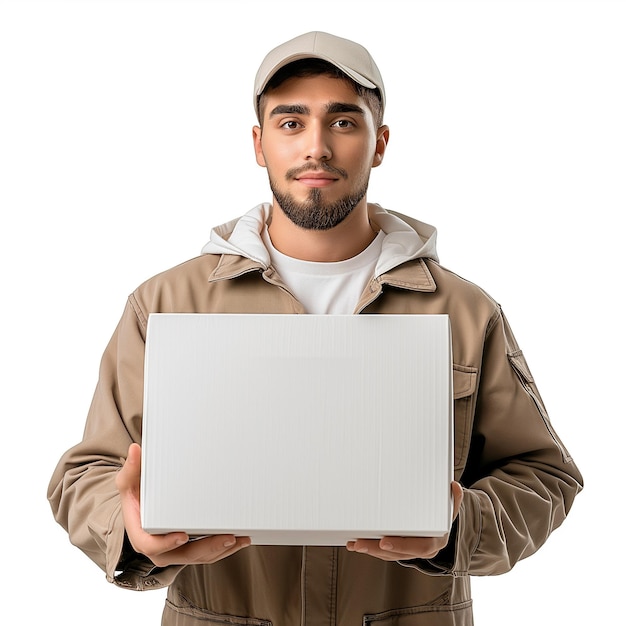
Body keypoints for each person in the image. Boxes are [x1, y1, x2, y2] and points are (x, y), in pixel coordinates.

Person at [48, 31, 583, 625]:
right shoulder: (166, 304)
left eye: (344, 123)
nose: (317, 148)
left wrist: (460, 527)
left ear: (379, 143)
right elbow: (84, 475)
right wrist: (129, 530)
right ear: (259, 144)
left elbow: (544, 476)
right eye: (290, 122)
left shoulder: (463, 310)